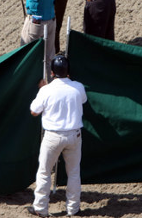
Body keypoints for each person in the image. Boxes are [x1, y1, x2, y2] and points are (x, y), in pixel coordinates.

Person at [27, 54, 87, 217]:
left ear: (52, 73)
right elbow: (83, 100)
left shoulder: (46, 90)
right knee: (74, 172)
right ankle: (73, 209)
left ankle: (40, 208)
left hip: (52, 136)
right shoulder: (78, 87)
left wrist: (41, 89)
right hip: (74, 136)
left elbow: (34, 111)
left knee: (44, 172)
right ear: (68, 71)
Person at [4, 0, 59, 79]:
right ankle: (50, 82)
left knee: (26, 54)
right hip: (51, 21)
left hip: (35, 23)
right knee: (49, 56)